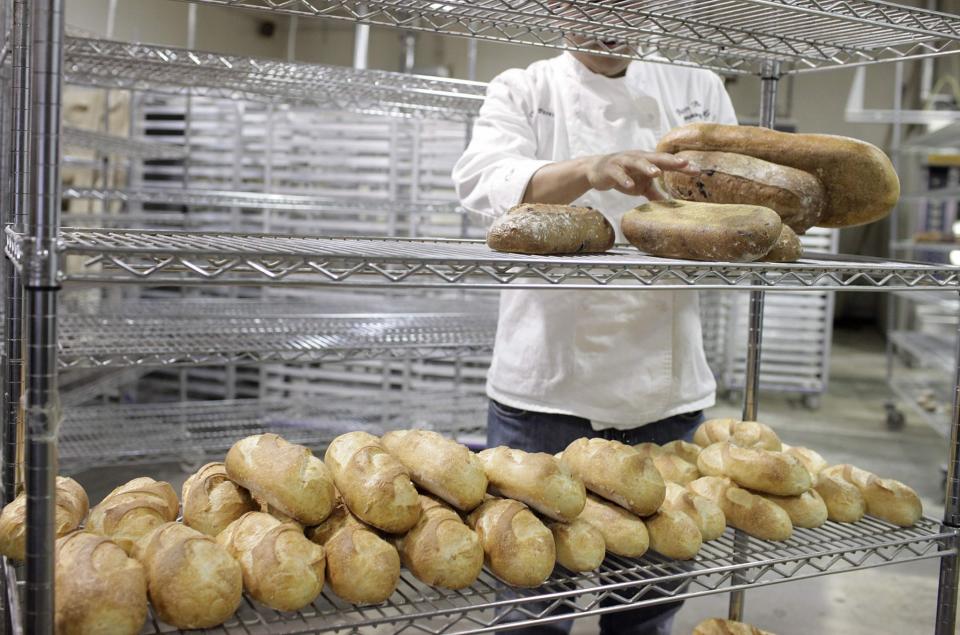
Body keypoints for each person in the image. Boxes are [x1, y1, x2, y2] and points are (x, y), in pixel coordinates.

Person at [451, 37, 738, 635]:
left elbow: (730, 196)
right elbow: (483, 185)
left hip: (662, 388)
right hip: (546, 390)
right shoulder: (523, 87)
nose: (611, 20)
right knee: (535, 602)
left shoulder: (696, 87)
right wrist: (590, 167)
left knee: (647, 602)